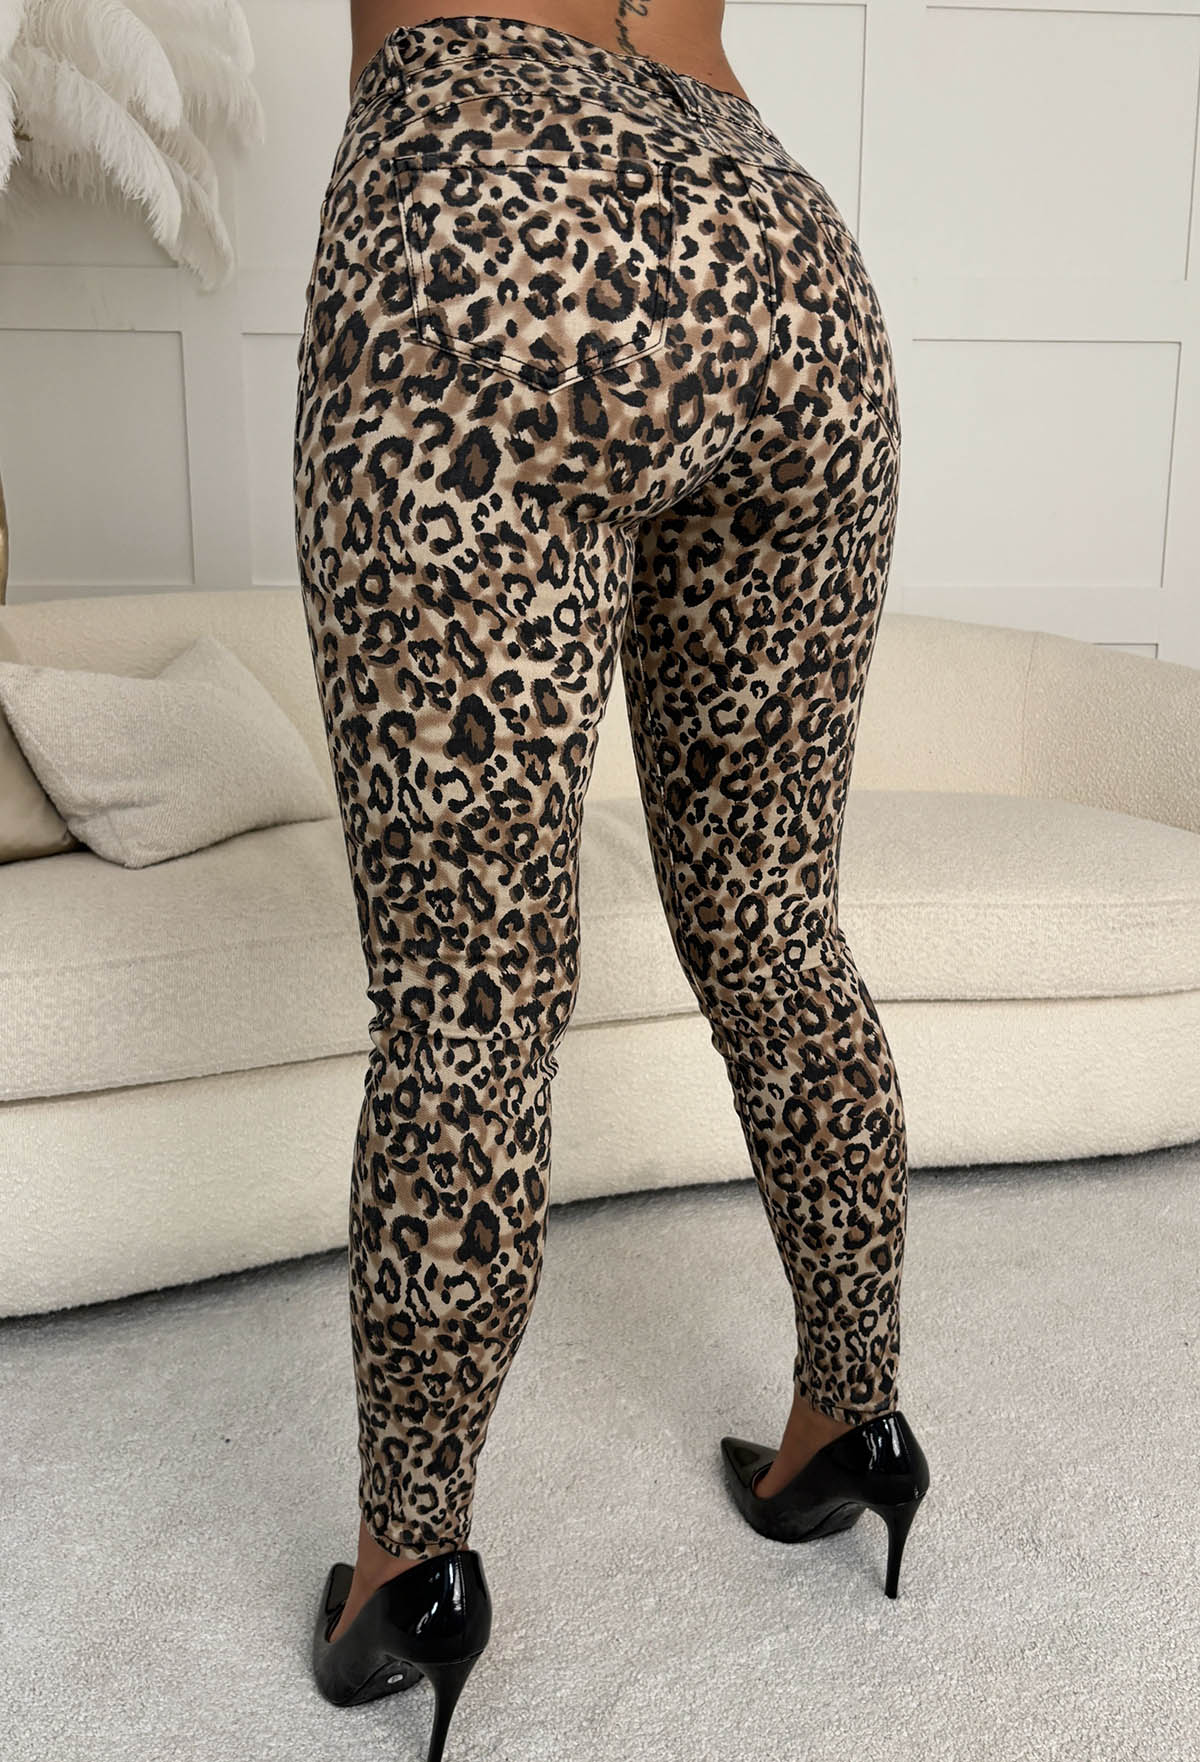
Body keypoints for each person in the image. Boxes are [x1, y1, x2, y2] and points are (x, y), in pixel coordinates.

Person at [294, 7, 931, 1757]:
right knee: (778, 918)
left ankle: (406, 1569)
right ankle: (850, 1420)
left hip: (493, 214)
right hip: (783, 255)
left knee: (472, 993)